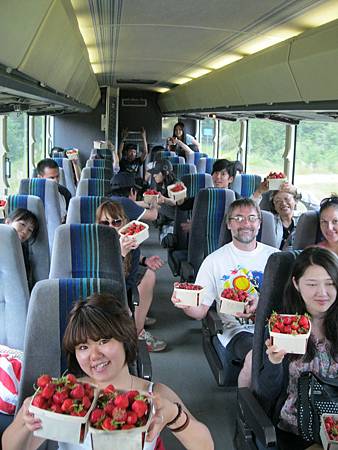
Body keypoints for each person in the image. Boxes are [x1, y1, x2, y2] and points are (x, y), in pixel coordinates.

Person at [1, 294, 215, 450]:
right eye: (83, 347)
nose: (94, 355)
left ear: (124, 340)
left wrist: (174, 415)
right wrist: (24, 420)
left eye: (104, 341)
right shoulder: (64, 397)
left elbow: (205, 446)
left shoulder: (154, 395)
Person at [172, 198, 279, 386]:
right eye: (238, 218)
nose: (246, 223)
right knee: (256, 356)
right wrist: (187, 305)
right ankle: (246, 409)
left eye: (252, 218)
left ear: (259, 223)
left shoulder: (276, 257)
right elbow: (200, 311)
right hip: (238, 330)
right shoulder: (214, 261)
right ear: (229, 224)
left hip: (275, 328)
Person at [256, 247, 338, 450]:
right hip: (298, 425)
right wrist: (274, 363)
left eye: (331, 284)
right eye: (311, 284)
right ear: (296, 284)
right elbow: (267, 393)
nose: (323, 293)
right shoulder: (283, 328)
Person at [96, 201, 166, 352]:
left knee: (148, 276)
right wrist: (119, 256)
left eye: (116, 222)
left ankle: (136, 333)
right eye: (105, 223)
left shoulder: (132, 247)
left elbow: (128, 283)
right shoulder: (94, 245)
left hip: (122, 287)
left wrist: (129, 256)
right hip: (99, 294)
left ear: (124, 223)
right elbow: (105, 285)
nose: (111, 227)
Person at [5, 208, 39, 289]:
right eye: (22, 224)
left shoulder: (22, 252)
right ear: (8, 222)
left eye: (30, 230)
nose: (25, 231)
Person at [36, 158, 72, 222]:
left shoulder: (65, 193)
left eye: (57, 176)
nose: (56, 181)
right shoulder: (33, 195)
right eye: (51, 178)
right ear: (40, 177)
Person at [269, 186, 301, 250]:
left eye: (287, 199)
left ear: (295, 201)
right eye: (278, 201)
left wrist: (298, 192)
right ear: (274, 206)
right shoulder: (269, 221)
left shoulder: (303, 218)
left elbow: (319, 209)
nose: (283, 203)